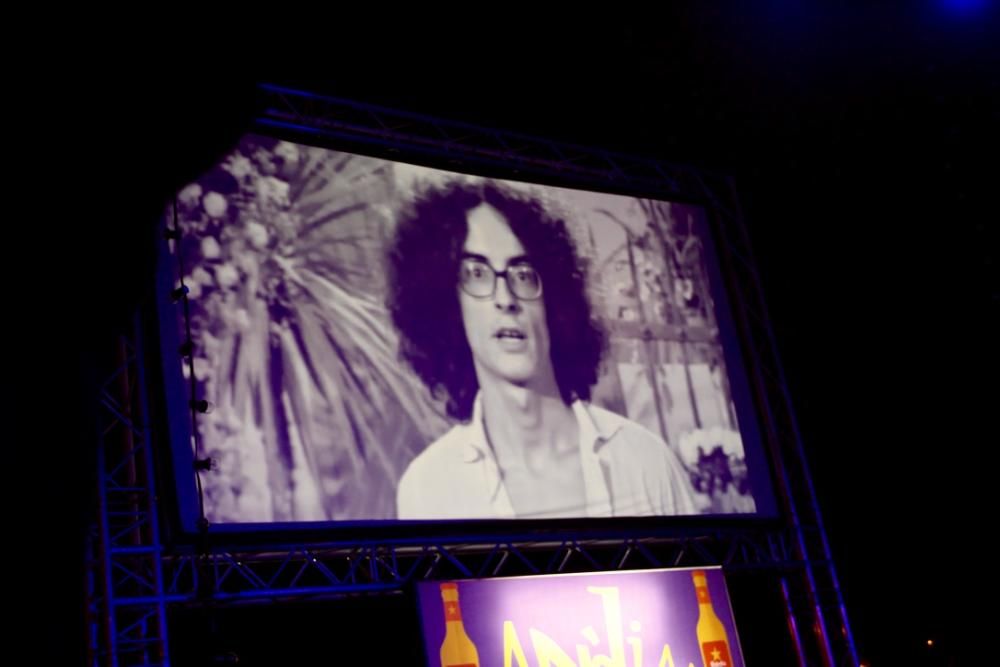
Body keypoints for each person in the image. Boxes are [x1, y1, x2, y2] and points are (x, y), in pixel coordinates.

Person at [387, 180, 698, 519]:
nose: (505, 299)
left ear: (554, 299)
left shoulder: (643, 460)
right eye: (476, 273)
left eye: (522, 274)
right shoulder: (427, 488)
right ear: (446, 303)